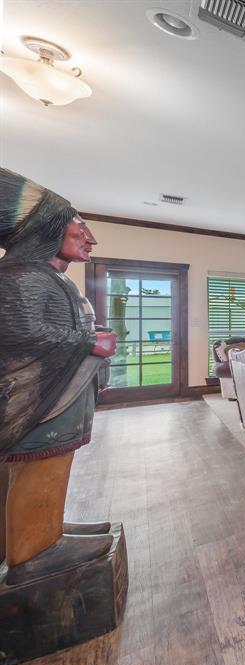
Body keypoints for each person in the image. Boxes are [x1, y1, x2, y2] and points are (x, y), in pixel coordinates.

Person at [0, 168, 117, 585]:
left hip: (55, 398)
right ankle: (34, 550)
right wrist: (89, 343)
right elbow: (19, 333)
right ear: (48, 233)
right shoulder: (24, 278)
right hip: (37, 401)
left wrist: (88, 336)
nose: (91, 239)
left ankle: (39, 536)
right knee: (38, 467)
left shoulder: (44, 278)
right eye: (80, 231)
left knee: (44, 468)